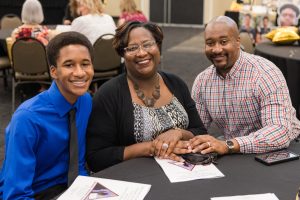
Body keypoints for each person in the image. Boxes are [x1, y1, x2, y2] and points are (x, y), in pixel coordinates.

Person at [86, 21, 207, 172]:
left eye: (148, 44)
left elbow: (201, 131)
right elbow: (96, 157)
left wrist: (179, 133)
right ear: (122, 54)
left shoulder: (176, 83)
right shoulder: (108, 95)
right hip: (136, 179)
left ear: (158, 47)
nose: (142, 52)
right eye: (132, 48)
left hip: (183, 172)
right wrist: (150, 148)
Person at [0, 31, 94, 199]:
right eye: (69, 65)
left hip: (74, 187)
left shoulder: (85, 101)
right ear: (53, 71)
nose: (80, 72)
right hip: (36, 193)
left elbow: (78, 164)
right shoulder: (27, 118)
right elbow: (16, 194)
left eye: (85, 64)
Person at [190, 16, 300, 156]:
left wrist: (229, 145)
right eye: (210, 43)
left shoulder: (265, 73)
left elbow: (279, 132)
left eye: (224, 42)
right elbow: (198, 128)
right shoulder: (202, 81)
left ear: (237, 42)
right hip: (233, 151)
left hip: (284, 151)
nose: (216, 50)